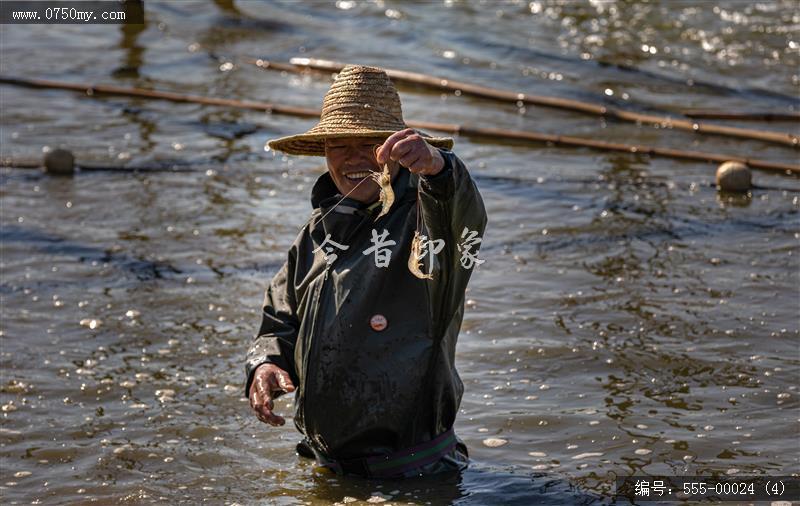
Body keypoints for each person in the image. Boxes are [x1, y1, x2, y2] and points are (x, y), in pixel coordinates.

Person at [244, 64, 487, 478]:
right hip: (328, 470)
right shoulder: (314, 236)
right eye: (338, 144)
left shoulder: (426, 224)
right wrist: (266, 365)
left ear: (395, 150)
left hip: (415, 474)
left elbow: (461, 215)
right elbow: (279, 320)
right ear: (323, 152)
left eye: (370, 143)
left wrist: (438, 168)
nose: (354, 158)